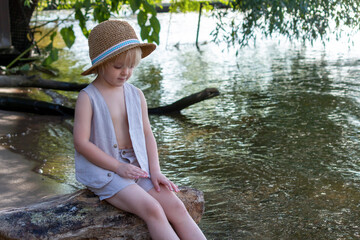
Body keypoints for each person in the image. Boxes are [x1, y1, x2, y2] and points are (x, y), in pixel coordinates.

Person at [73, 20, 207, 240]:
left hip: (137, 165)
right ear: (101, 63)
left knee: (176, 206)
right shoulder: (88, 97)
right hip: (106, 170)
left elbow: (147, 134)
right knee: (152, 210)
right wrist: (118, 167)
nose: (126, 72)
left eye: (132, 66)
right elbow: (81, 143)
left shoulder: (136, 95)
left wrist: (155, 171)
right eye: (118, 67)